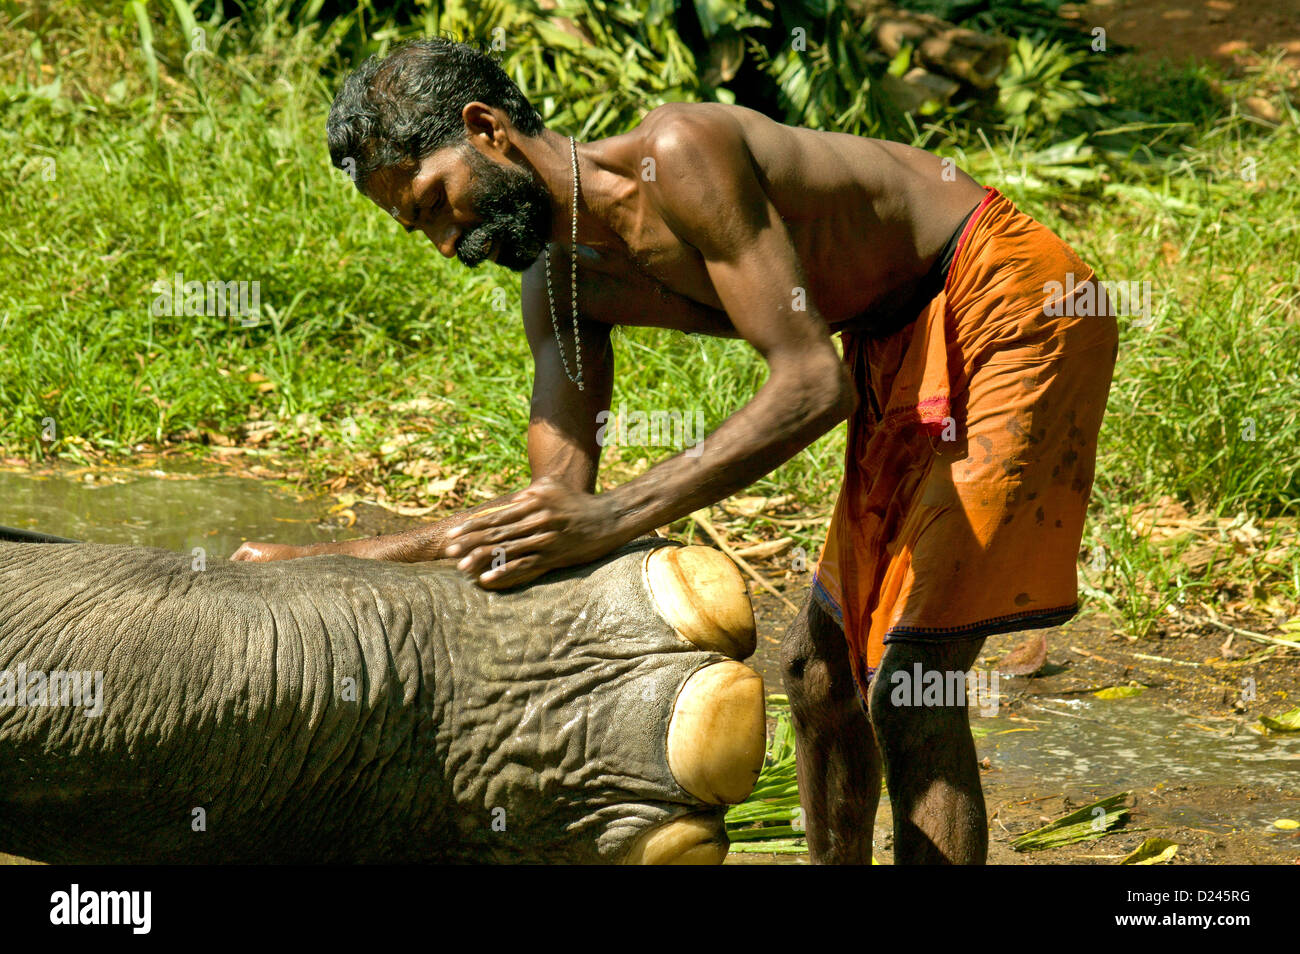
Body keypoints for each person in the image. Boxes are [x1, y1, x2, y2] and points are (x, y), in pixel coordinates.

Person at [233, 38, 1118, 864]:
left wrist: (612, 515)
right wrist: (330, 561)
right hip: (890, 334)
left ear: (485, 130)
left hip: (1009, 294)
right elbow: (544, 518)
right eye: (414, 227)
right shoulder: (557, 288)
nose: (443, 242)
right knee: (817, 677)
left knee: (911, 678)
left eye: (433, 203)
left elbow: (811, 384)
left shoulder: (682, 151)